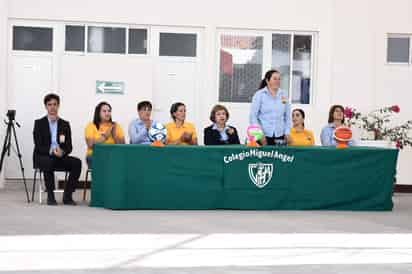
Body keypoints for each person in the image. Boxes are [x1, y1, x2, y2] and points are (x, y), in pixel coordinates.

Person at [33, 93, 81, 206]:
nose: (52, 107)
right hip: (43, 155)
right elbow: (38, 145)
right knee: (48, 161)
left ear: (58, 106)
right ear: (46, 106)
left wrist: (62, 152)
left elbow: (69, 146)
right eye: (49, 104)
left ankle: (67, 195)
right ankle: (50, 195)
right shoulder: (39, 123)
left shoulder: (65, 124)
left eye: (55, 104)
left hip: (59, 156)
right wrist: (51, 150)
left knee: (77, 163)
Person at [249, 69, 291, 146]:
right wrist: (259, 135)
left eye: (279, 79)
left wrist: (287, 132)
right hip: (263, 136)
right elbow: (253, 117)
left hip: (280, 136)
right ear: (267, 80)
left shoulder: (284, 94)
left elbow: (287, 116)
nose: (277, 81)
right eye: (275, 79)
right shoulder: (259, 95)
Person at [85, 102, 125, 166]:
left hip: (113, 155)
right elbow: (90, 145)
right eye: (104, 111)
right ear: (98, 113)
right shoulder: (91, 125)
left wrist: (114, 135)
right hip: (95, 155)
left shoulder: (116, 126)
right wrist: (105, 136)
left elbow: (122, 146)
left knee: (123, 159)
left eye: (109, 111)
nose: (107, 113)